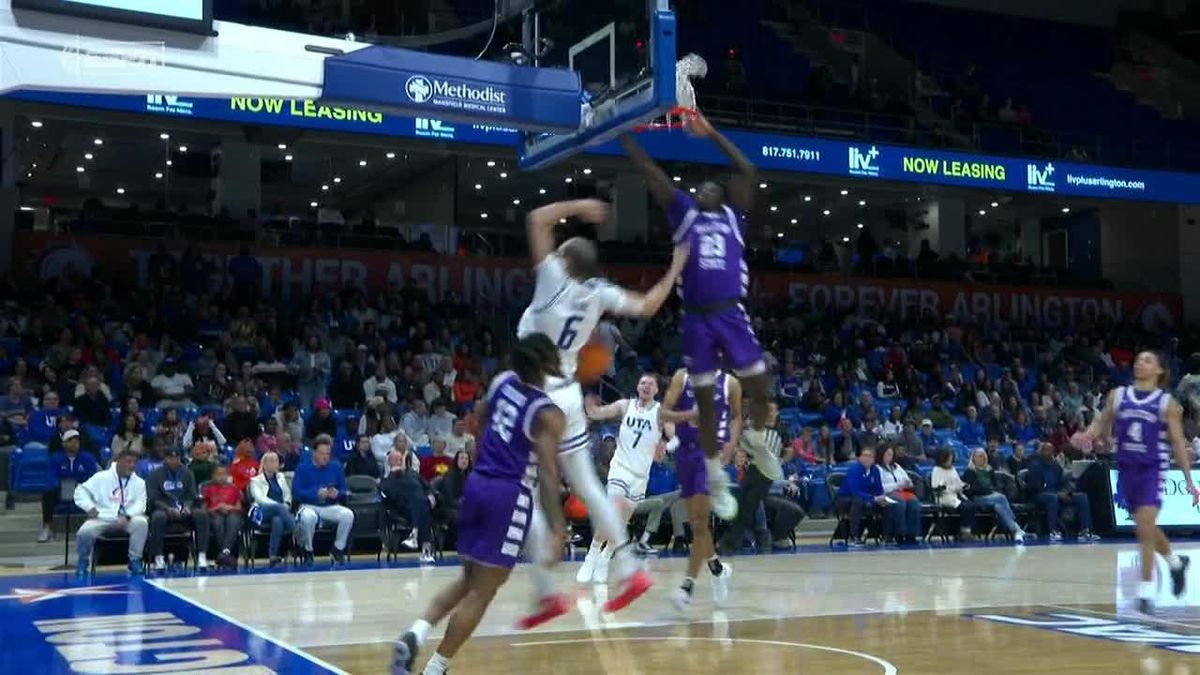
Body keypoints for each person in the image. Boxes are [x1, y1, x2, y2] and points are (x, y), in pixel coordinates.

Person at [515, 197, 686, 617]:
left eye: (559, 251)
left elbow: (537, 218)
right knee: (589, 485)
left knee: (521, 489)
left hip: (536, 391)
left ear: (564, 260)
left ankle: (545, 591)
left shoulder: (552, 276)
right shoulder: (598, 292)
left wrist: (580, 207)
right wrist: (677, 266)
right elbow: (648, 305)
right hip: (570, 392)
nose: (552, 253)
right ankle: (629, 567)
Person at [391, 334, 568, 675]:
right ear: (548, 363)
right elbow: (548, 474)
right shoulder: (547, 413)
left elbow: (480, 414)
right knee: (482, 594)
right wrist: (558, 528)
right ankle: (435, 669)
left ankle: (415, 633)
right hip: (509, 495)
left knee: (468, 580)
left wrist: (486, 450)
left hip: (478, 483)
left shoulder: (502, 382)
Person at [624, 116, 768, 527]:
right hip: (696, 319)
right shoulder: (684, 213)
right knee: (704, 402)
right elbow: (651, 173)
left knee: (757, 384)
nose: (704, 188)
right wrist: (623, 136)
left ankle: (755, 440)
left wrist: (713, 135)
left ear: (723, 196)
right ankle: (716, 474)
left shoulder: (734, 219)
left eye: (712, 186)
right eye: (699, 186)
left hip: (730, 311)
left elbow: (748, 170)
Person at [1073, 351, 1196, 614]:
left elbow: (1177, 443)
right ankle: (1176, 563)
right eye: (1139, 359)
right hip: (1126, 467)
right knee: (1146, 526)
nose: (1141, 362)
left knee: (1144, 528)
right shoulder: (1118, 395)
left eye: (1148, 360)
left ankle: (1145, 592)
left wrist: (1189, 481)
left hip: (1153, 467)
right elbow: (1101, 421)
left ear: (1160, 371)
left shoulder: (1167, 403)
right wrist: (1088, 436)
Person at [577, 373, 666, 584]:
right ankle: (592, 554)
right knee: (612, 512)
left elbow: (673, 436)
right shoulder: (625, 405)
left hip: (640, 476)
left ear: (656, 390)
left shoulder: (661, 413)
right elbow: (598, 413)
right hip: (620, 469)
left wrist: (665, 446)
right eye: (642, 382)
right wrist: (589, 406)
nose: (646, 385)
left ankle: (605, 558)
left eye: (650, 383)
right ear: (637, 385)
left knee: (621, 521)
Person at [661, 367, 734, 612]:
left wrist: (730, 447)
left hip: (708, 454)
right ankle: (717, 569)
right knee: (696, 524)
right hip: (685, 455)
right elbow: (664, 413)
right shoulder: (682, 376)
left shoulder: (728, 383)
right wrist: (689, 414)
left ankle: (686, 588)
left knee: (701, 524)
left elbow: (736, 417)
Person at [73, 448, 149, 578]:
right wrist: (89, 507)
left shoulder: (139, 482)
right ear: (118, 461)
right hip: (102, 517)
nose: (132, 465)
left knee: (142, 523)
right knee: (84, 532)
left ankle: (135, 560)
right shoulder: (101, 477)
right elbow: (80, 491)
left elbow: (141, 504)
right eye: (128, 461)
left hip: (127, 518)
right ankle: (83, 561)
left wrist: (127, 516)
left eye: (134, 462)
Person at [147, 446, 211, 572]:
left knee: (201, 514)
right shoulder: (155, 474)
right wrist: (167, 508)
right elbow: (154, 498)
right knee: (157, 517)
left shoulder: (187, 473)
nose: (173, 460)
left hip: (184, 508)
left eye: (176, 458)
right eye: (170, 458)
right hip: (164, 508)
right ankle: (159, 557)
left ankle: (202, 555)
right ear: (165, 459)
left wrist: (187, 506)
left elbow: (192, 495)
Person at [293, 435, 355, 565]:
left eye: (327, 454)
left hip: (329, 505)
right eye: (322, 454)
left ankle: (338, 549)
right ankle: (308, 551)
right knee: (309, 517)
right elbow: (296, 493)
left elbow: (344, 490)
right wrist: (315, 494)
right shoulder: (302, 468)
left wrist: (337, 494)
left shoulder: (336, 467)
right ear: (314, 453)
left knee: (348, 515)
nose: (325, 457)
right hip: (309, 505)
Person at [1027, 442, 1096, 542]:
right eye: (1047, 450)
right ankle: (1053, 531)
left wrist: (1066, 492)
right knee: (1052, 498)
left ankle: (1085, 530)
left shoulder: (1056, 466)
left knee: (1082, 496)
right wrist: (1057, 493)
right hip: (1039, 495)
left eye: (1052, 451)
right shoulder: (1035, 466)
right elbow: (1033, 487)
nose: (1050, 453)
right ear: (1042, 452)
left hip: (1056, 493)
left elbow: (1060, 484)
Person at [39, 429, 98, 543]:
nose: (74, 443)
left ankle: (95, 528)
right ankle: (47, 528)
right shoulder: (56, 458)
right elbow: (52, 478)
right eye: (71, 441)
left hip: (82, 491)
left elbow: (92, 478)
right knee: (48, 495)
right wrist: (63, 486)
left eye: (76, 440)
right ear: (64, 443)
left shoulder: (88, 458)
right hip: (62, 490)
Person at [380, 450, 436, 564]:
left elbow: (427, 486)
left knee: (421, 503)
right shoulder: (387, 478)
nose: (398, 462)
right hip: (401, 508)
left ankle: (414, 535)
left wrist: (430, 494)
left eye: (400, 459)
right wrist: (392, 473)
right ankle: (426, 551)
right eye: (395, 460)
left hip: (419, 505)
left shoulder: (413, 473)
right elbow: (389, 495)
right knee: (422, 504)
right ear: (389, 462)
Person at [963, 448, 1027, 544]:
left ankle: (1016, 532)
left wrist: (991, 491)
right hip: (977, 499)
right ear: (973, 458)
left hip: (993, 498)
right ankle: (1016, 526)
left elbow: (994, 486)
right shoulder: (969, 472)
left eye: (982, 457)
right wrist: (988, 491)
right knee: (1001, 497)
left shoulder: (990, 470)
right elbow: (972, 490)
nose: (980, 459)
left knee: (999, 506)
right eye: (978, 457)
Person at [836, 446, 888, 548]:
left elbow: (879, 489)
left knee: (886, 504)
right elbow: (855, 491)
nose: (867, 458)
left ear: (874, 459)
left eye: (870, 456)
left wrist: (881, 497)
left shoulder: (875, 470)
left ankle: (886, 536)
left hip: (866, 498)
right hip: (845, 499)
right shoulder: (854, 470)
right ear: (860, 458)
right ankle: (853, 537)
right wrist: (873, 498)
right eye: (865, 456)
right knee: (858, 501)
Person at [249, 450, 295, 567]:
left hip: (280, 513)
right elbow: (260, 499)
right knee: (279, 510)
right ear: (264, 464)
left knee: (278, 521)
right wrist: (279, 506)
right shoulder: (255, 481)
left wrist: (286, 504)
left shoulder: (281, 477)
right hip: (261, 512)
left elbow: (287, 494)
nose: (274, 463)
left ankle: (273, 556)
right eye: (271, 461)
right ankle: (297, 531)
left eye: (276, 461)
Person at [201, 462, 243, 568]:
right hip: (214, 515)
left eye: (224, 474)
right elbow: (203, 510)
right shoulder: (207, 488)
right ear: (213, 476)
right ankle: (225, 554)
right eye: (218, 474)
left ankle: (224, 553)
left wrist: (228, 507)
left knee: (233, 520)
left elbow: (239, 508)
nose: (221, 477)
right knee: (218, 521)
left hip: (232, 514)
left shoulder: (233, 488)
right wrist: (218, 507)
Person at [930, 448, 977, 541]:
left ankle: (966, 530)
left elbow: (958, 483)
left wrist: (964, 486)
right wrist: (953, 488)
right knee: (966, 507)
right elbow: (936, 487)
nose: (950, 462)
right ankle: (964, 532)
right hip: (944, 497)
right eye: (948, 460)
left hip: (956, 495)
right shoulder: (937, 470)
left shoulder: (953, 469)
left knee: (971, 505)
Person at [877, 445, 920, 545]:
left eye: (891, 455)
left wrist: (908, 483)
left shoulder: (897, 466)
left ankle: (911, 534)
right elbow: (880, 487)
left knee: (914, 502)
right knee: (899, 502)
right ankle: (899, 533)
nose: (890, 457)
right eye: (887, 454)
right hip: (887, 494)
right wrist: (896, 485)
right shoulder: (877, 468)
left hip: (902, 491)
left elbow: (906, 479)